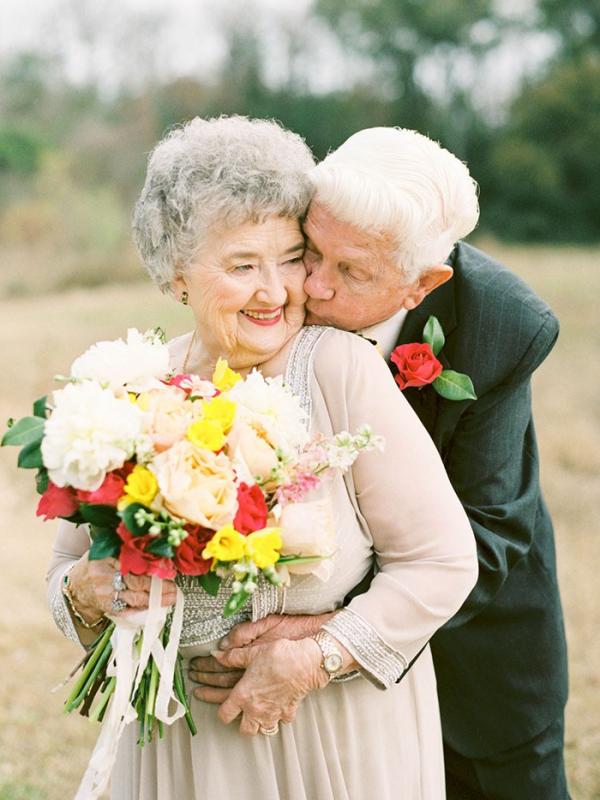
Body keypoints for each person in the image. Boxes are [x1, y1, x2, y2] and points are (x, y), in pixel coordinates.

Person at [45, 116, 478, 800]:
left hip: (332, 744)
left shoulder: (340, 371)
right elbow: (67, 571)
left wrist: (315, 658)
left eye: (290, 256)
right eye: (244, 265)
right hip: (180, 750)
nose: (277, 290)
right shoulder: (128, 387)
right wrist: (86, 590)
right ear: (176, 275)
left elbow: (442, 561)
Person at [193, 128, 569, 800]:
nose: (311, 286)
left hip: (479, 649)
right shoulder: (279, 297)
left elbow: (488, 531)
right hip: (323, 716)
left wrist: (326, 632)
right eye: (312, 251)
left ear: (422, 283)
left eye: (352, 272)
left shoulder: (503, 325)